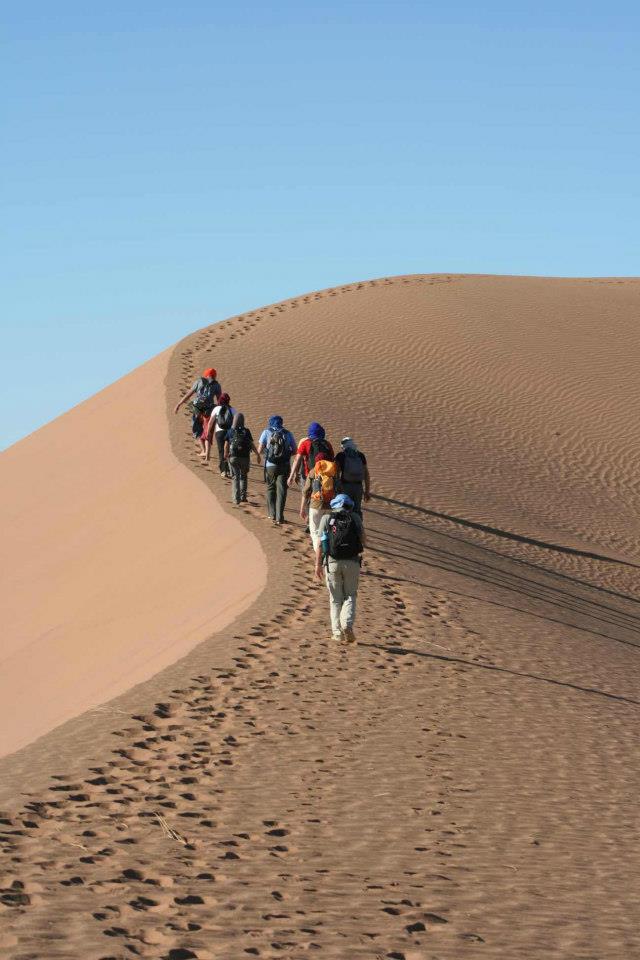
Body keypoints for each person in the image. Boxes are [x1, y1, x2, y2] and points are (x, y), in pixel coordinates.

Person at [315, 494, 366, 644]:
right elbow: (363, 540)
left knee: (335, 599)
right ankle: (347, 624)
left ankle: (337, 633)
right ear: (349, 505)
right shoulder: (355, 518)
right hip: (352, 562)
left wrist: (317, 564)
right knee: (350, 595)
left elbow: (320, 544)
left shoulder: (326, 518)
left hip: (332, 563)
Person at [257, 415, 296, 526]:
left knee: (270, 488)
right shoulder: (288, 433)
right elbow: (295, 451)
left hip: (270, 465)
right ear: (281, 423)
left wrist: (268, 454)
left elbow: (259, 450)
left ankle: (272, 514)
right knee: (282, 491)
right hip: (284, 465)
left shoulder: (266, 432)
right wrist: (285, 454)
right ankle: (280, 517)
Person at [174, 368, 222, 454]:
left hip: (196, 407)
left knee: (196, 428)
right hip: (209, 409)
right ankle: (207, 452)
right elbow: (219, 401)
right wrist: (220, 412)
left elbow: (189, 394)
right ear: (214, 376)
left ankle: (203, 450)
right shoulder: (216, 385)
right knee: (207, 429)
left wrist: (179, 404)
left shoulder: (199, 381)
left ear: (206, 375)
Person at [300, 458, 338, 551]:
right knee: (328, 531)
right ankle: (327, 553)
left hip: (316, 505)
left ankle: (318, 554)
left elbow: (306, 491)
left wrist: (302, 509)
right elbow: (338, 489)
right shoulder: (333, 471)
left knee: (315, 532)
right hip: (330, 505)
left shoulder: (313, 471)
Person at [223, 413, 261, 505]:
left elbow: (226, 445)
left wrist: (225, 455)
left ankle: (236, 499)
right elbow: (251, 444)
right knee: (243, 476)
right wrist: (257, 454)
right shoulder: (246, 431)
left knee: (235, 477)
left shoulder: (230, 431)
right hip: (245, 458)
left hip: (233, 457)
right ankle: (243, 497)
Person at [288, 422, 334, 487]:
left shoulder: (305, 443)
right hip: (325, 475)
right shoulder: (327, 444)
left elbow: (297, 460)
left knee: (306, 491)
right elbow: (332, 459)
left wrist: (292, 476)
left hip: (309, 474)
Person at [334, 437, 371, 515]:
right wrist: (367, 491)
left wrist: (337, 487)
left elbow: (336, 473)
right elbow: (366, 474)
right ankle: (358, 522)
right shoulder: (361, 455)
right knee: (357, 510)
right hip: (358, 487)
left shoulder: (340, 455)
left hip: (345, 487)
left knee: (344, 510)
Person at [206, 393, 236, 476]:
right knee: (229, 450)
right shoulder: (232, 410)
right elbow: (236, 423)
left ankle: (223, 471)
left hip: (219, 432)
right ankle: (229, 470)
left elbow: (210, 422)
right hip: (229, 432)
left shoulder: (216, 409)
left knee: (221, 450)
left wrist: (208, 432)